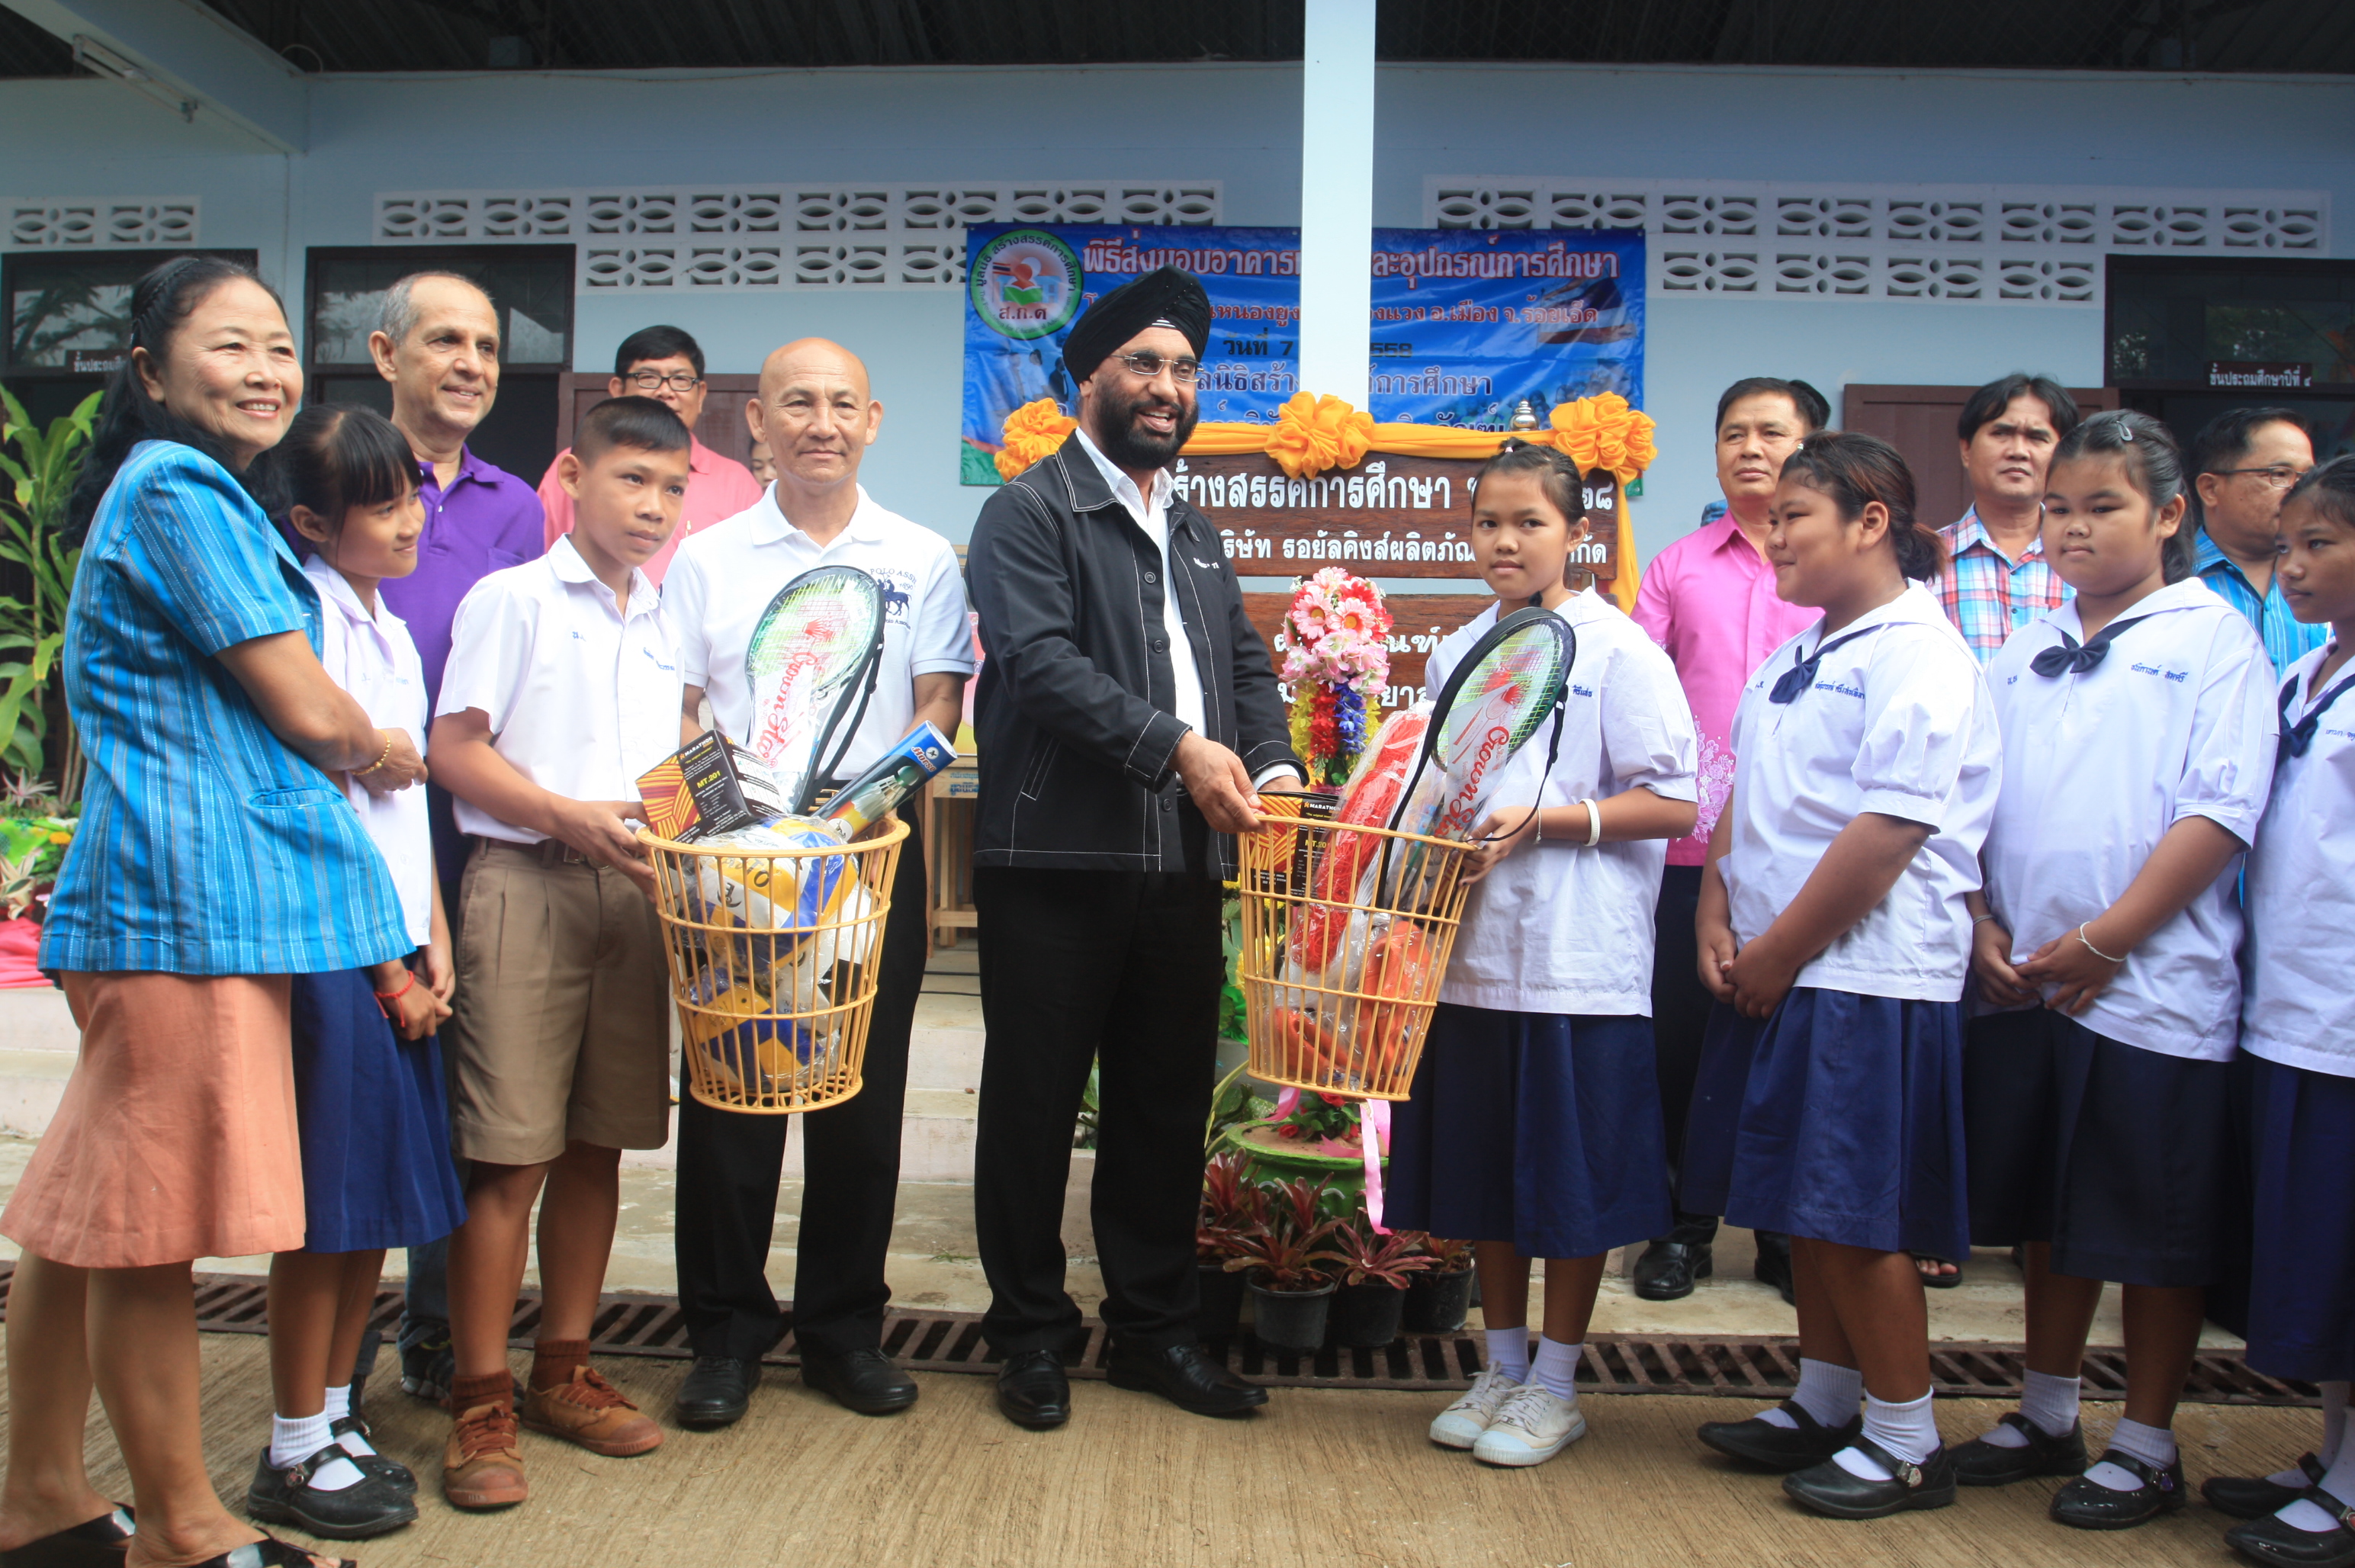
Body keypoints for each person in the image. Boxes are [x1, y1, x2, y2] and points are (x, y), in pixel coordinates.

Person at [0, 255, 416, 1568]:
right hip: (188, 909)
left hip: (173, 903)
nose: (265, 370)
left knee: (88, 1221)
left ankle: (39, 1499)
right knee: (148, 1233)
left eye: (279, 346)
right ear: (150, 370)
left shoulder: (183, 492)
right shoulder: (180, 487)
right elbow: (307, 710)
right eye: (229, 345)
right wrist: (384, 746)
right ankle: (181, 1529)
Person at [964, 265, 1299, 1431]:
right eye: (1144, 364)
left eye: (1185, 369)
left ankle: (1154, 1333)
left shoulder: (1194, 530)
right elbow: (1041, 667)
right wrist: (1180, 752)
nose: (1168, 387)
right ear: (1089, 380)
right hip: (1054, 864)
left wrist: (1272, 765)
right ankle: (1029, 1337)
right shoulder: (1029, 511)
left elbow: (1242, 665)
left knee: (1163, 1109)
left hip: (1179, 868)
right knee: (1034, 1107)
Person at [1952, 412, 2275, 1531]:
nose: (2072, 529)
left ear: (2171, 514)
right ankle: (2046, 1411)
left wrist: (2108, 940)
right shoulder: (2022, 646)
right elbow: (1972, 801)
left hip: (2150, 988)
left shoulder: (2214, 640)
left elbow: (2218, 814)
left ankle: (2146, 1441)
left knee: (2151, 1226)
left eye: (2103, 507)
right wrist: (1983, 923)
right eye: (2058, 509)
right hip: (2025, 981)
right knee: (2048, 1216)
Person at [1682, 432, 2000, 1521]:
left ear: (1871, 523)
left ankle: (1908, 1441)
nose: (1771, 539)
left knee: (1856, 1216)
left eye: (1792, 519)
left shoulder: (1919, 654)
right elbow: (1746, 795)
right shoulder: (1801, 651)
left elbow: (1889, 829)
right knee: (1799, 1203)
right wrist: (1716, 908)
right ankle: (1825, 1402)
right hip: (1785, 969)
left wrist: (1778, 949)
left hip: (1866, 976)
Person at [661, 338, 973, 1428]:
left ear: (873, 421)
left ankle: (845, 1332)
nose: (822, 423)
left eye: (843, 403)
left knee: (860, 1104)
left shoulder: (920, 555)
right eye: (798, 402)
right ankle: (724, 1337)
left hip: (866, 860)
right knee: (730, 1102)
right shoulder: (705, 557)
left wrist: (854, 817)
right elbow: (683, 709)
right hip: (735, 866)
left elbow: (939, 706)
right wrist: (722, 840)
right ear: (757, 420)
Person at [1388, 441, 1698, 1469]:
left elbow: (1675, 801)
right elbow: (1440, 791)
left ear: (1578, 534)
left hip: (1579, 963)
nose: (1506, 541)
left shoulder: (1619, 652)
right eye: (1488, 522)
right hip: (1475, 958)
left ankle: (1556, 1384)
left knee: (1570, 1184)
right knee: (1487, 1176)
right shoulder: (1459, 652)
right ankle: (1501, 1366)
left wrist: (1547, 823)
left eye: (1530, 522)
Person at [426, 397, 690, 1511]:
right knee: (510, 1155)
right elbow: (452, 751)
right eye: (632, 479)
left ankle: (563, 1372)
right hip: (523, 885)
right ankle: (478, 1399)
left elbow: (672, 767)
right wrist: (562, 817)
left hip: (636, 897)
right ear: (572, 477)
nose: (653, 506)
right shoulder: (513, 599)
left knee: (597, 1146)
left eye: (672, 488)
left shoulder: (665, 618)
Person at [255, 406, 471, 1541]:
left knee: (379, 1201)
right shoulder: (309, 624)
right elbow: (325, 812)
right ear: (309, 523)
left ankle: (337, 1413)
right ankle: (292, 1444)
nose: (408, 523)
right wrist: (390, 965)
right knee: (330, 1212)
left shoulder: (384, 626)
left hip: (397, 948)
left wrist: (435, 937)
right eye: (381, 507)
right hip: (342, 955)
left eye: (411, 500)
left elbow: (407, 803)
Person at [362, 270, 548, 1406]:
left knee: (461, 1096)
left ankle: (436, 1338)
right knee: (354, 1085)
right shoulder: (333, 477)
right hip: (359, 818)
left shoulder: (514, 506)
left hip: (471, 831)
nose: (471, 363)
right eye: (445, 340)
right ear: (386, 355)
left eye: (486, 344)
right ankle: (326, 1372)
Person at [1627, 377, 1823, 1305]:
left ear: (1811, 447)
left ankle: (1785, 1232)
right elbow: (1638, 688)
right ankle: (1680, 1229)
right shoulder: (1677, 567)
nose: (1751, 448)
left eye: (1771, 432)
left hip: (1808, 855)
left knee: (1791, 1048)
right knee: (1683, 1045)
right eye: (1733, 433)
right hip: (1687, 846)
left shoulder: (1832, 569)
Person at [2207, 458, 2355, 1565]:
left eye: (2320, 545)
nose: (2292, 567)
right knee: (2323, 1260)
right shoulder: (2307, 674)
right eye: (2288, 545)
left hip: (2345, 1020)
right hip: (2290, 1010)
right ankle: (2333, 1452)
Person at [538, 324, 761, 585]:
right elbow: (540, 556)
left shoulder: (737, 482)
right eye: (648, 377)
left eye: (681, 380)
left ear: (700, 395)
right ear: (618, 390)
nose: (665, 391)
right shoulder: (582, 465)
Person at [1930, 373, 2082, 664]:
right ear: (1966, 449)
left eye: (2037, 437)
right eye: (2001, 433)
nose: (2018, 452)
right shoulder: (1920, 562)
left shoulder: (2089, 559)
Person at [2190, 406, 2323, 673]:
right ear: (2210, 489)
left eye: (2307, 478)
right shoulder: (2166, 579)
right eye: (2280, 474)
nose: (2300, 492)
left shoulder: (2332, 576)